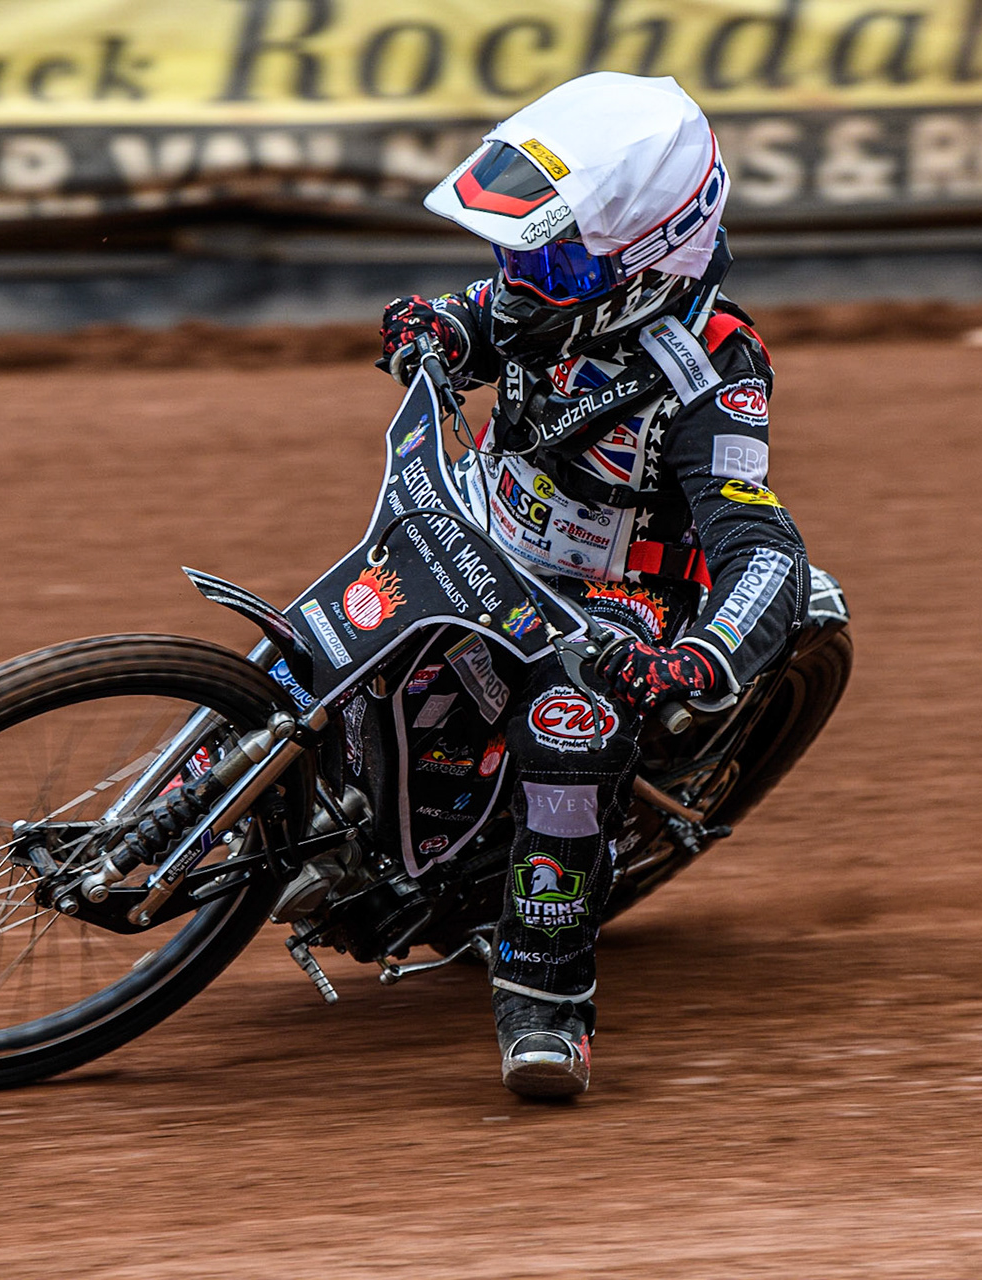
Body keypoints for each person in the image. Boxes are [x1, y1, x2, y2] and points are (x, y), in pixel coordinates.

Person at [378, 72, 809, 1098]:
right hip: (483, 533)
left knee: (571, 725)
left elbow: (763, 545)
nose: (522, 282)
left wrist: (701, 652)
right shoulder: (544, 297)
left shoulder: (716, 369)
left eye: (556, 262)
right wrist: (432, 330)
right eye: (519, 254)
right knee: (352, 616)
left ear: (652, 260)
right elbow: (476, 319)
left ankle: (546, 1001)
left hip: (619, 600)